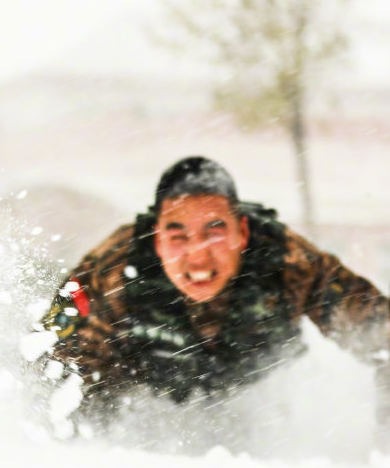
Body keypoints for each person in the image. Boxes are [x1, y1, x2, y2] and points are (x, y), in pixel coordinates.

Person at [36, 155, 390, 448]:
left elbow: (382, 336)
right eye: (179, 237)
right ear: (155, 239)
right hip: (141, 404)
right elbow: (53, 361)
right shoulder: (108, 269)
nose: (199, 258)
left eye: (214, 232)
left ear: (242, 233)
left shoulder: (288, 261)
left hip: (254, 402)